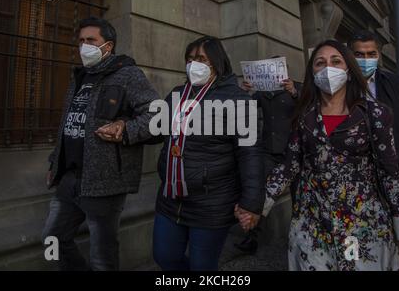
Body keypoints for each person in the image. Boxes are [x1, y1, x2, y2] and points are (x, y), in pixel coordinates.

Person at [261, 39, 399, 271]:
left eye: (336, 61)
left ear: (348, 70)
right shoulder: (304, 117)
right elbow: (289, 166)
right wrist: (255, 205)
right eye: (319, 63)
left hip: (360, 228)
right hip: (312, 228)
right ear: (312, 73)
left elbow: (391, 175)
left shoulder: (374, 114)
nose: (328, 68)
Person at [42, 17, 159, 271]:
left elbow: (157, 115)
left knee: (102, 258)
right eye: (81, 41)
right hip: (69, 177)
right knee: (53, 239)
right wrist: (55, 162)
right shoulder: (79, 77)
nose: (84, 46)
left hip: (105, 180)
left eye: (91, 41)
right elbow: (68, 123)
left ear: (108, 46)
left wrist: (125, 128)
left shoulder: (128, 74)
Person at [151, 36, 265, 271]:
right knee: (165, 257)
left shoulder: (238, 99)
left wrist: (252, 203)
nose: (195, 64)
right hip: (171, 198)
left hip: (212, 203)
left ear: (217, 62)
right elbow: (153, 128)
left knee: (202, 266)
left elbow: (250, 155)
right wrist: (124, 128)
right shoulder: (176, 94)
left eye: (201, 59)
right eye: (190, 59)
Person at [349, 30, 399, 269]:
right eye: (359, 54)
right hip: (360, 183)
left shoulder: (397, 84)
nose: (365, 59)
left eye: (371, 53)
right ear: (350, 55)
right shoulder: (340, 86)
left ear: (378, 55)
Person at [235, 56, 302, 254]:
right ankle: (251, 237)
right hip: (268, 150)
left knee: (298, 195)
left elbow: (308, 107)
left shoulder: (295, 88)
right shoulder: (262, 93)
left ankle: (298, 237)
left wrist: (294, 93)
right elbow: (245, 107)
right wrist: (244, 92)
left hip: (293, 150)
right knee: (259, 193)